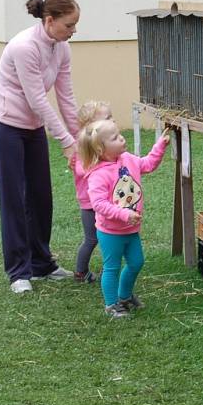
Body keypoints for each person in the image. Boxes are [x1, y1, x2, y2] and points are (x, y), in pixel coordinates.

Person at [0, 0, 81, 294]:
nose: (73, 31)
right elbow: (37, 99)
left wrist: (80, 139)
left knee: (41, 197)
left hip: (33, 128)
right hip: (6, 126)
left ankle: (42, 263)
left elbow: (65, 96)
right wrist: (65, 141)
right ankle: (18, 271)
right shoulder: (24, 47)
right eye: (69, 25)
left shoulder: (61, 48)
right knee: (14, 198)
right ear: (49, 20)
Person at [79, 119, 170, 318]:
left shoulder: (127, 158)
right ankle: (111, 305)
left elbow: (148, 164)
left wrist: (160, 145)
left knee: (136, 262)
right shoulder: (98, 175)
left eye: (119, 134)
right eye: (115, 138)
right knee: (111, 267)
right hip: (110, 232)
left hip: (131, 230)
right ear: (100, 148)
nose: (122, 138)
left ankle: (125, 296)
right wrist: (124, 214)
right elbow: (99, 204)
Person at [72, 100, 113, 283]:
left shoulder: (103, 145)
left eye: (111, 117)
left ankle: (108, 272)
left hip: (104, 201)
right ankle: (81, 272)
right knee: (92, 239)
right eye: (107, 118)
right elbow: (82, 169)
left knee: (109, 237)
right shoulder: (83, 147)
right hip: (89, 204)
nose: (112, 121)